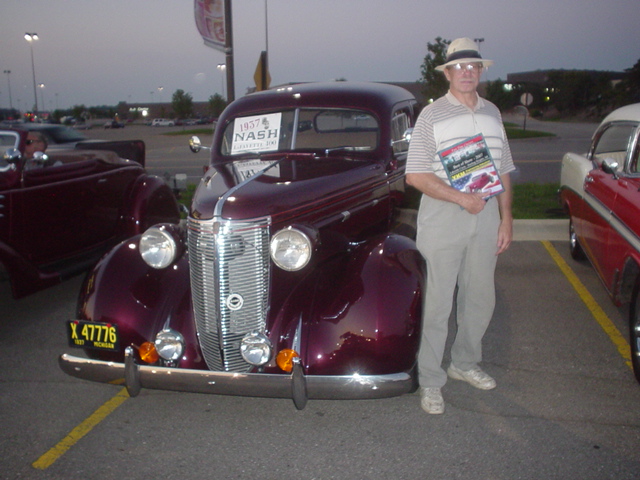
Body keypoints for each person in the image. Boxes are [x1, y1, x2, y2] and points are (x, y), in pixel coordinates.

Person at [405, 38, 515, 414]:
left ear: (481, 71)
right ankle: (431, 379)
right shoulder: (431, 116)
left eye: (474, 66)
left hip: (485, 215)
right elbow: (416, 175)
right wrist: (461, 198)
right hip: (443, 214)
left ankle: (464, 363)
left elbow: (502, 168)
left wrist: (506, 217)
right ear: (448, 72)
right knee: (437, 304)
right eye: (460, 67)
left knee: (481, 297)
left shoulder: (493, 112)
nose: (467, 72)